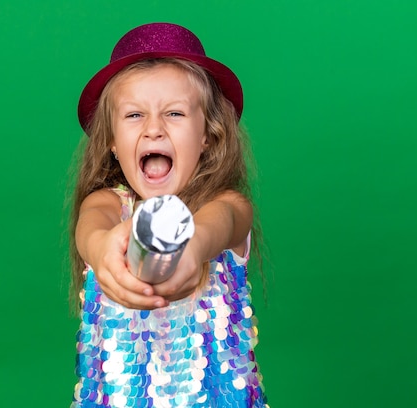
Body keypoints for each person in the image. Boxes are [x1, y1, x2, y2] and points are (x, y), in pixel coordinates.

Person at [68, 22, 269, 408]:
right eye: (133, 116)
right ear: (111, 140)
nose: (154, 129)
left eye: (174, 113)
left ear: (209, 134)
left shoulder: (225, 204)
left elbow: (222, 222)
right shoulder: (108, 207)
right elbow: (90, 229)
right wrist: (101, 248)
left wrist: (194, 249)